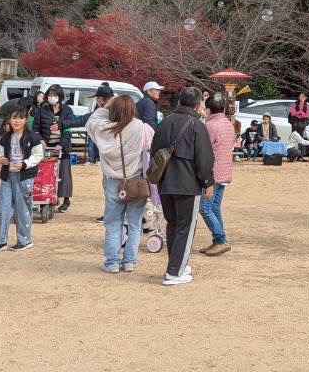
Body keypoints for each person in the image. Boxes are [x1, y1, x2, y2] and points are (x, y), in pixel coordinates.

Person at [150, 87, 215, 286]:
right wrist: (208, 182)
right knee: (185, 228)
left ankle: (176, 264)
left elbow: (154, 151)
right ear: (198, 105)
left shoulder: (164, 123)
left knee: (174, 225)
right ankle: (174, 272)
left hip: (165, 181)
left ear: (179, 102)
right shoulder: (197, 125)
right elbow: (204, 160)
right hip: (187, 183)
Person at [85, 92, 153, 272]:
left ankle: (112, 262)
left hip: (113, 181)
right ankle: (129, 261)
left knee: (113, 222)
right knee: (135, 222)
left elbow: (91, 122)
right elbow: (151, 145)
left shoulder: (103, 130)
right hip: (136, 181)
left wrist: (106, 106)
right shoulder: (141, 127)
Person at [0, 107, 44, 253]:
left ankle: (25, 240)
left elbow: (38, 155)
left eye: (20, 118)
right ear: (9, 120)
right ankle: (1, 241)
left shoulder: (33, 137)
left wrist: (25, 164)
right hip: (7, 176)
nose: (17, 121)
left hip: (24, 177)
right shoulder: (4, 138)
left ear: (25, 119)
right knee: (3, 208)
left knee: (22, 208)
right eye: (14, 118)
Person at [35, 84, 85, 213]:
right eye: (50, 95)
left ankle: (66, 199)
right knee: (45, 173)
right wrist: (41, 142)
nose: (52, 97)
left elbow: (68, 130)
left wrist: (61, 145)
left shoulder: (67, 110)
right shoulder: (42, 110)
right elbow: (36, 129)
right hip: (46, 146)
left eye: (55, 95)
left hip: (62, 147)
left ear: (60, 96)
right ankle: (47, 196)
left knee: (64, 173)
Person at [199, 92, 234, 256]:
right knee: (214, 207)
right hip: (225, 171)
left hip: (213, 172)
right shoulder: (228, 123)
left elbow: (203, 149)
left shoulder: (210, 125)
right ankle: (218, 240)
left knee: (205, 208)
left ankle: (220, 239)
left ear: (209, 109)